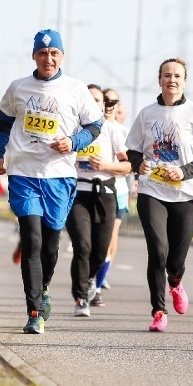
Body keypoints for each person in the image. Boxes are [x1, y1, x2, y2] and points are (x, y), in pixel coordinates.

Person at [0, 28, 102, 335]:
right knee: (32, 240)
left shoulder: (76, 89)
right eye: (42, 53)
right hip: (24, 171)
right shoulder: (19, 87)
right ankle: (34, 311)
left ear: (62, 57)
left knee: (50, 244)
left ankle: (45, 288)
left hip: (59, 175)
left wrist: (74, 141)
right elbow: (3, 120)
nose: (48, 59)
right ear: (34, 56)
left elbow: (95, 125)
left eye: (54, 54)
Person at [126, 57, 193, 332]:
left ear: (184, 81)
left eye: (178, 76)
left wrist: (185, 172)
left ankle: (176, 281)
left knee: (175, 258)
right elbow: (131, 149)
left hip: (186, 193)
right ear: (160, 80)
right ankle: (158, 311)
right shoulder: (147, 114)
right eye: (167, 75)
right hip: (152, 189)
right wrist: (137, 164)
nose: (172, 80)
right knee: (157, 250)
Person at [65, 85, 132, 317]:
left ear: (104, 105)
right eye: (90, 100)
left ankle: (92, 277)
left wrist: (106, 166)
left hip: (105, 194)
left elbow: (127, 165)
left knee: (100, 251)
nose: (94, 104)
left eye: (98, 100)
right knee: (82, 246)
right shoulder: (72, 129)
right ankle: (80, 297)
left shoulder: (112, 130)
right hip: (78, 194)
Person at [93, 87, 130, 302]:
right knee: (95, 242)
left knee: (110, 240)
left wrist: (108, 166)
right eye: (105, 100)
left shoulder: (122, 131)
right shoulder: (93, 128)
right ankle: (95, 276)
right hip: (95, 189)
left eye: (113, 101)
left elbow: (130, 163)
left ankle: (98, 282)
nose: (109, 105)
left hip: (119, 192)